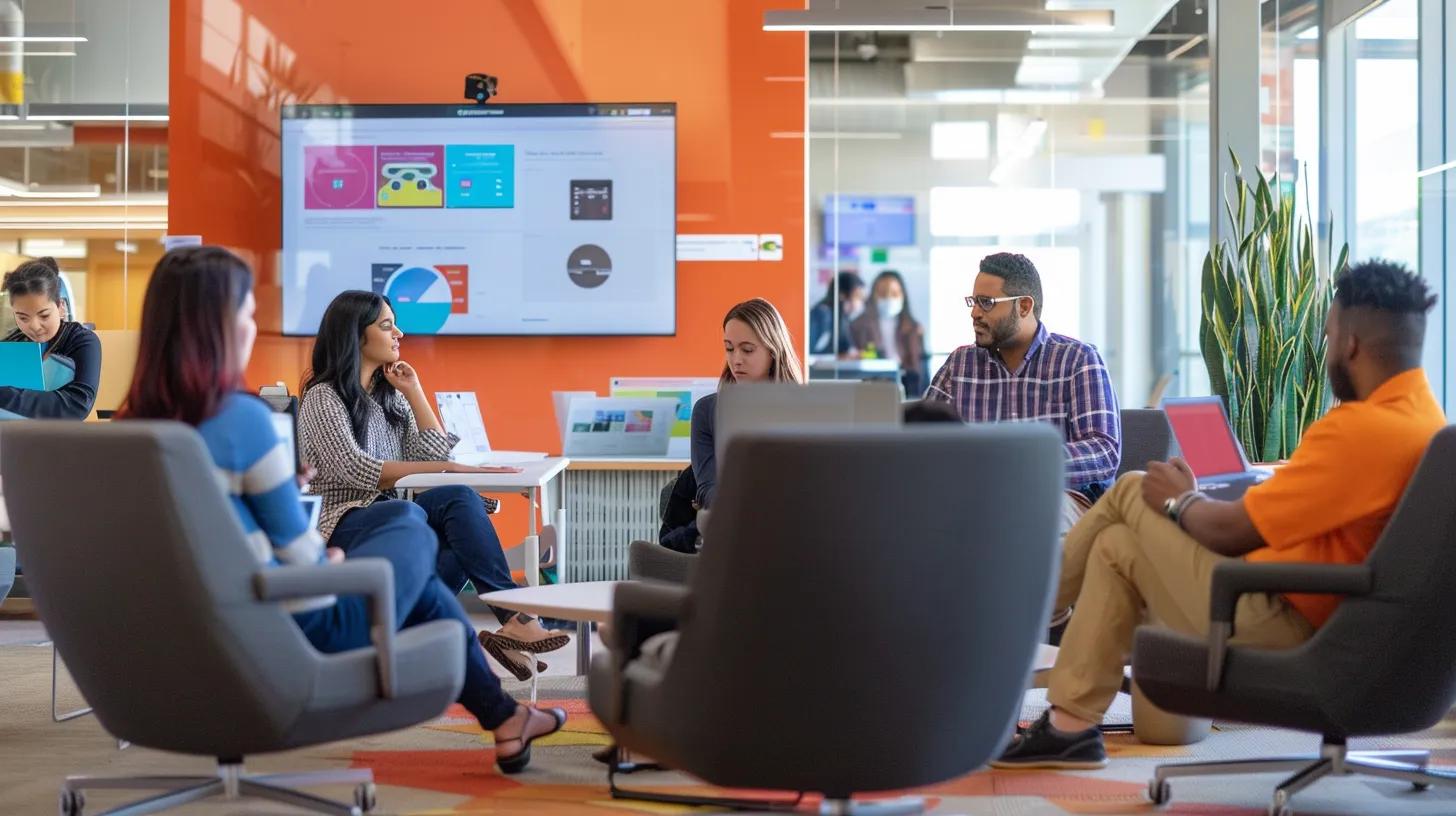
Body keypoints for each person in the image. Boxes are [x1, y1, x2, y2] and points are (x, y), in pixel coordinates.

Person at [117, 247, 565, 774]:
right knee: (409, 524)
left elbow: (200, 536)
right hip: (296, 626)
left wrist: (414, 392)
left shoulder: (129, 431)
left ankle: (506, 716)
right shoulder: (246, 420)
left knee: (426, 546)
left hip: (170, 641)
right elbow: (305, 545)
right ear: (218, 328)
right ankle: (509, 662)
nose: (251, 327)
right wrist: (321, 561)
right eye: (246, 315)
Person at [994, 260, 1445, 769]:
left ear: (1352, 344)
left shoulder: (1359, 430)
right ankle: (1068, 729)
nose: (1326, 347)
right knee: (1116, 546)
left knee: (1131, 488)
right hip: (1332, 617)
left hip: (1279, 618)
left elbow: (1230, 533)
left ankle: (1008, 614)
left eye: (1328, 334)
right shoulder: (1425, 422)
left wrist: (1182, 500)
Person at [298, 291, 567, 680]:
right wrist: (448, 465)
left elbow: (432, 453)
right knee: (423, 508)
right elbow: (357, 470)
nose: (399, 333)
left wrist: (416, 392)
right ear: (356, 336)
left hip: (392, 515)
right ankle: (506, 618)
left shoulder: (389, 395)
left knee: (459, 516)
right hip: (342, 522)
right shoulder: (324, 397)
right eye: (387, 325)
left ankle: (507, 622)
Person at [926, 252, 1120, 534]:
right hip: (970, 501)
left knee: (1012, 512)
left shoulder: (1077, 359)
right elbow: (920, 442)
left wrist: (1020, 465)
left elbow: (1104, 451)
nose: (975, 312)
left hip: (1064, 501)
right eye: (973, 301)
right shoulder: (960, 365)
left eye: (987, 303)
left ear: (1025, 306)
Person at [690, 297, 805, 511]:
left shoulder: (807, 407)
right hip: (734, 520)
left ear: (773, 351)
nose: (736, 360)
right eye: (730, 349)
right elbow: (708, 488)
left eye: (748, 349)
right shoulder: (707, 411)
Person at [0, 257, 100, 419]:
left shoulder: (82, 341)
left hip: (61, 438)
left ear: (61, 307)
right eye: (23, 318)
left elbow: (77, 405)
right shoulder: (12, 344)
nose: (34, 326)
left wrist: (5, 395)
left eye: (44, 315)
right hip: (13, 437)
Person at [850, 270, 925, 398]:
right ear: (873, 295)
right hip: (872, 381)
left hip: (906, 381)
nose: (889, 298)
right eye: (883, 293)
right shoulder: (858, 325)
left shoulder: (913, 328)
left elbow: (920, 367)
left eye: (894, 293)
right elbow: (857, 355)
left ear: (902, 295)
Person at [808, 271, 866, 356]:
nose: (860, 302)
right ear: (842, 295)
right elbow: (810, 351)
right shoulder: (822, 314)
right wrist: (841, 357)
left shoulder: (842, 318)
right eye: (857, 296)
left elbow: (847, 347)